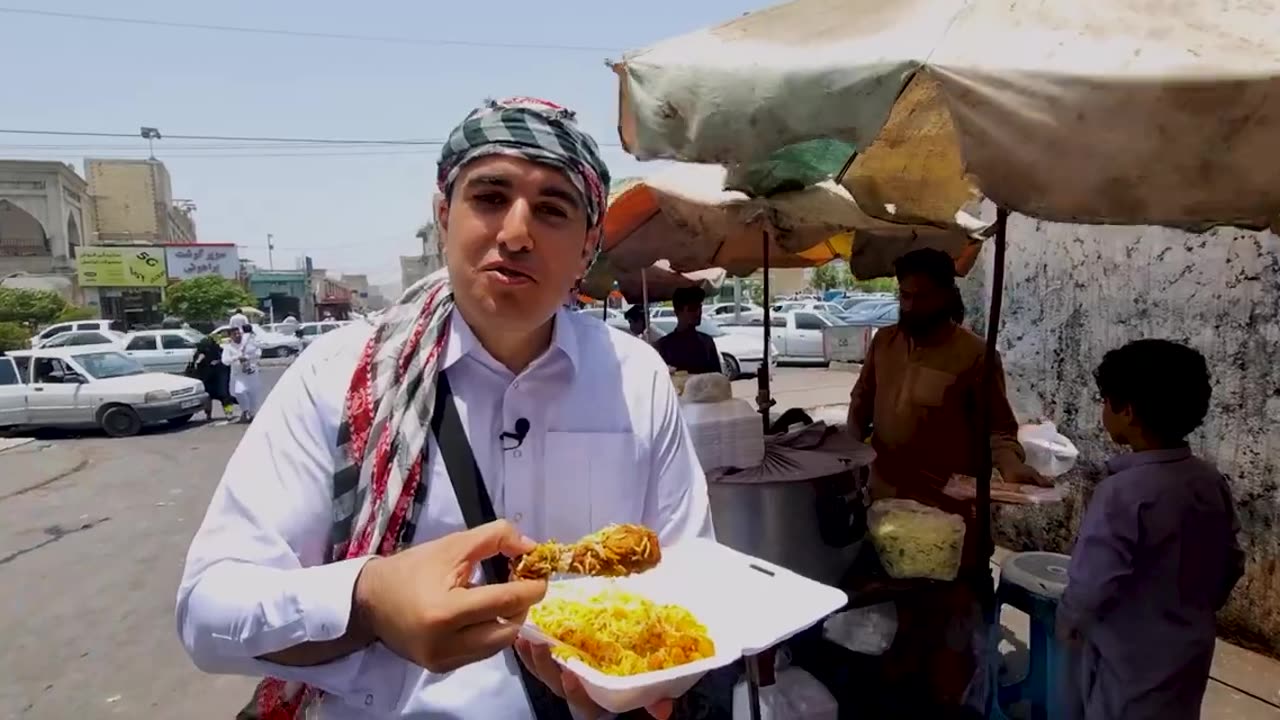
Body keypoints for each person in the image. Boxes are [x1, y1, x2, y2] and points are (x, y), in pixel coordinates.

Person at [176, 97, 712, 720]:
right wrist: (367, 601)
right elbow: (207, 610)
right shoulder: (338, 376)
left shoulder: (635, 377)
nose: (514, 233)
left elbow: (688, 575)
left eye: (552, 209)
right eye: (489, 198)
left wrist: (646, 678)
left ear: (589, 244)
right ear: (443, 216)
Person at [846, 248, 1047, 712]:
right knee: (894, 620)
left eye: (921, 296)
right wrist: (846, 455)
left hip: (949, 521)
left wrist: (1011, 465)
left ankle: (955, 700)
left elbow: (999, 428)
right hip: (886, 508)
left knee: (952, 628)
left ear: (946, 295)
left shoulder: (975, 355)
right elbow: (861, 403)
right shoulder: (884, 343)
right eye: (904, 296)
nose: (911, 306)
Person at [1057, 340, 1243, 720]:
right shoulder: (1208, 480)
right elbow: (1231, 563)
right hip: (1189, 652)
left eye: (1105, 400)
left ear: (1127, 411)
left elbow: (1091, 584)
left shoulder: (1122, 494)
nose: (1103, 410)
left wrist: (1067, 626)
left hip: (1128, 658)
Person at [654, 287, 720, 374]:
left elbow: (718, 379)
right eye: (692, 308)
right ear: (677, 311)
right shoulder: (664, 346)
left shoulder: (707, 342)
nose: (698, 312)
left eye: (700, 307)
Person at [221, 324, 262, 423]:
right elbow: (225, 361)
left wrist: (247, 357)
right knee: (240, 392)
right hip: (239, 375)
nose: (237, 335)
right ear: (231, 336)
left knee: (253, 395)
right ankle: (245, 411)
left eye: (238, 333)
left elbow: (258, 353)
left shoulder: (248, 343)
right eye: (234, 334)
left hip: (251, 374)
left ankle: (251, 415)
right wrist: (236, 357)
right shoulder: (228, 347)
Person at [188, 332, 233, 419]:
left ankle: (225, 413)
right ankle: (216, 414)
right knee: (216, 395)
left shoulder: (214, 351)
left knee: (220, 395)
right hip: (212, 377)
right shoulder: (216, 350)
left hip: (216, 377)